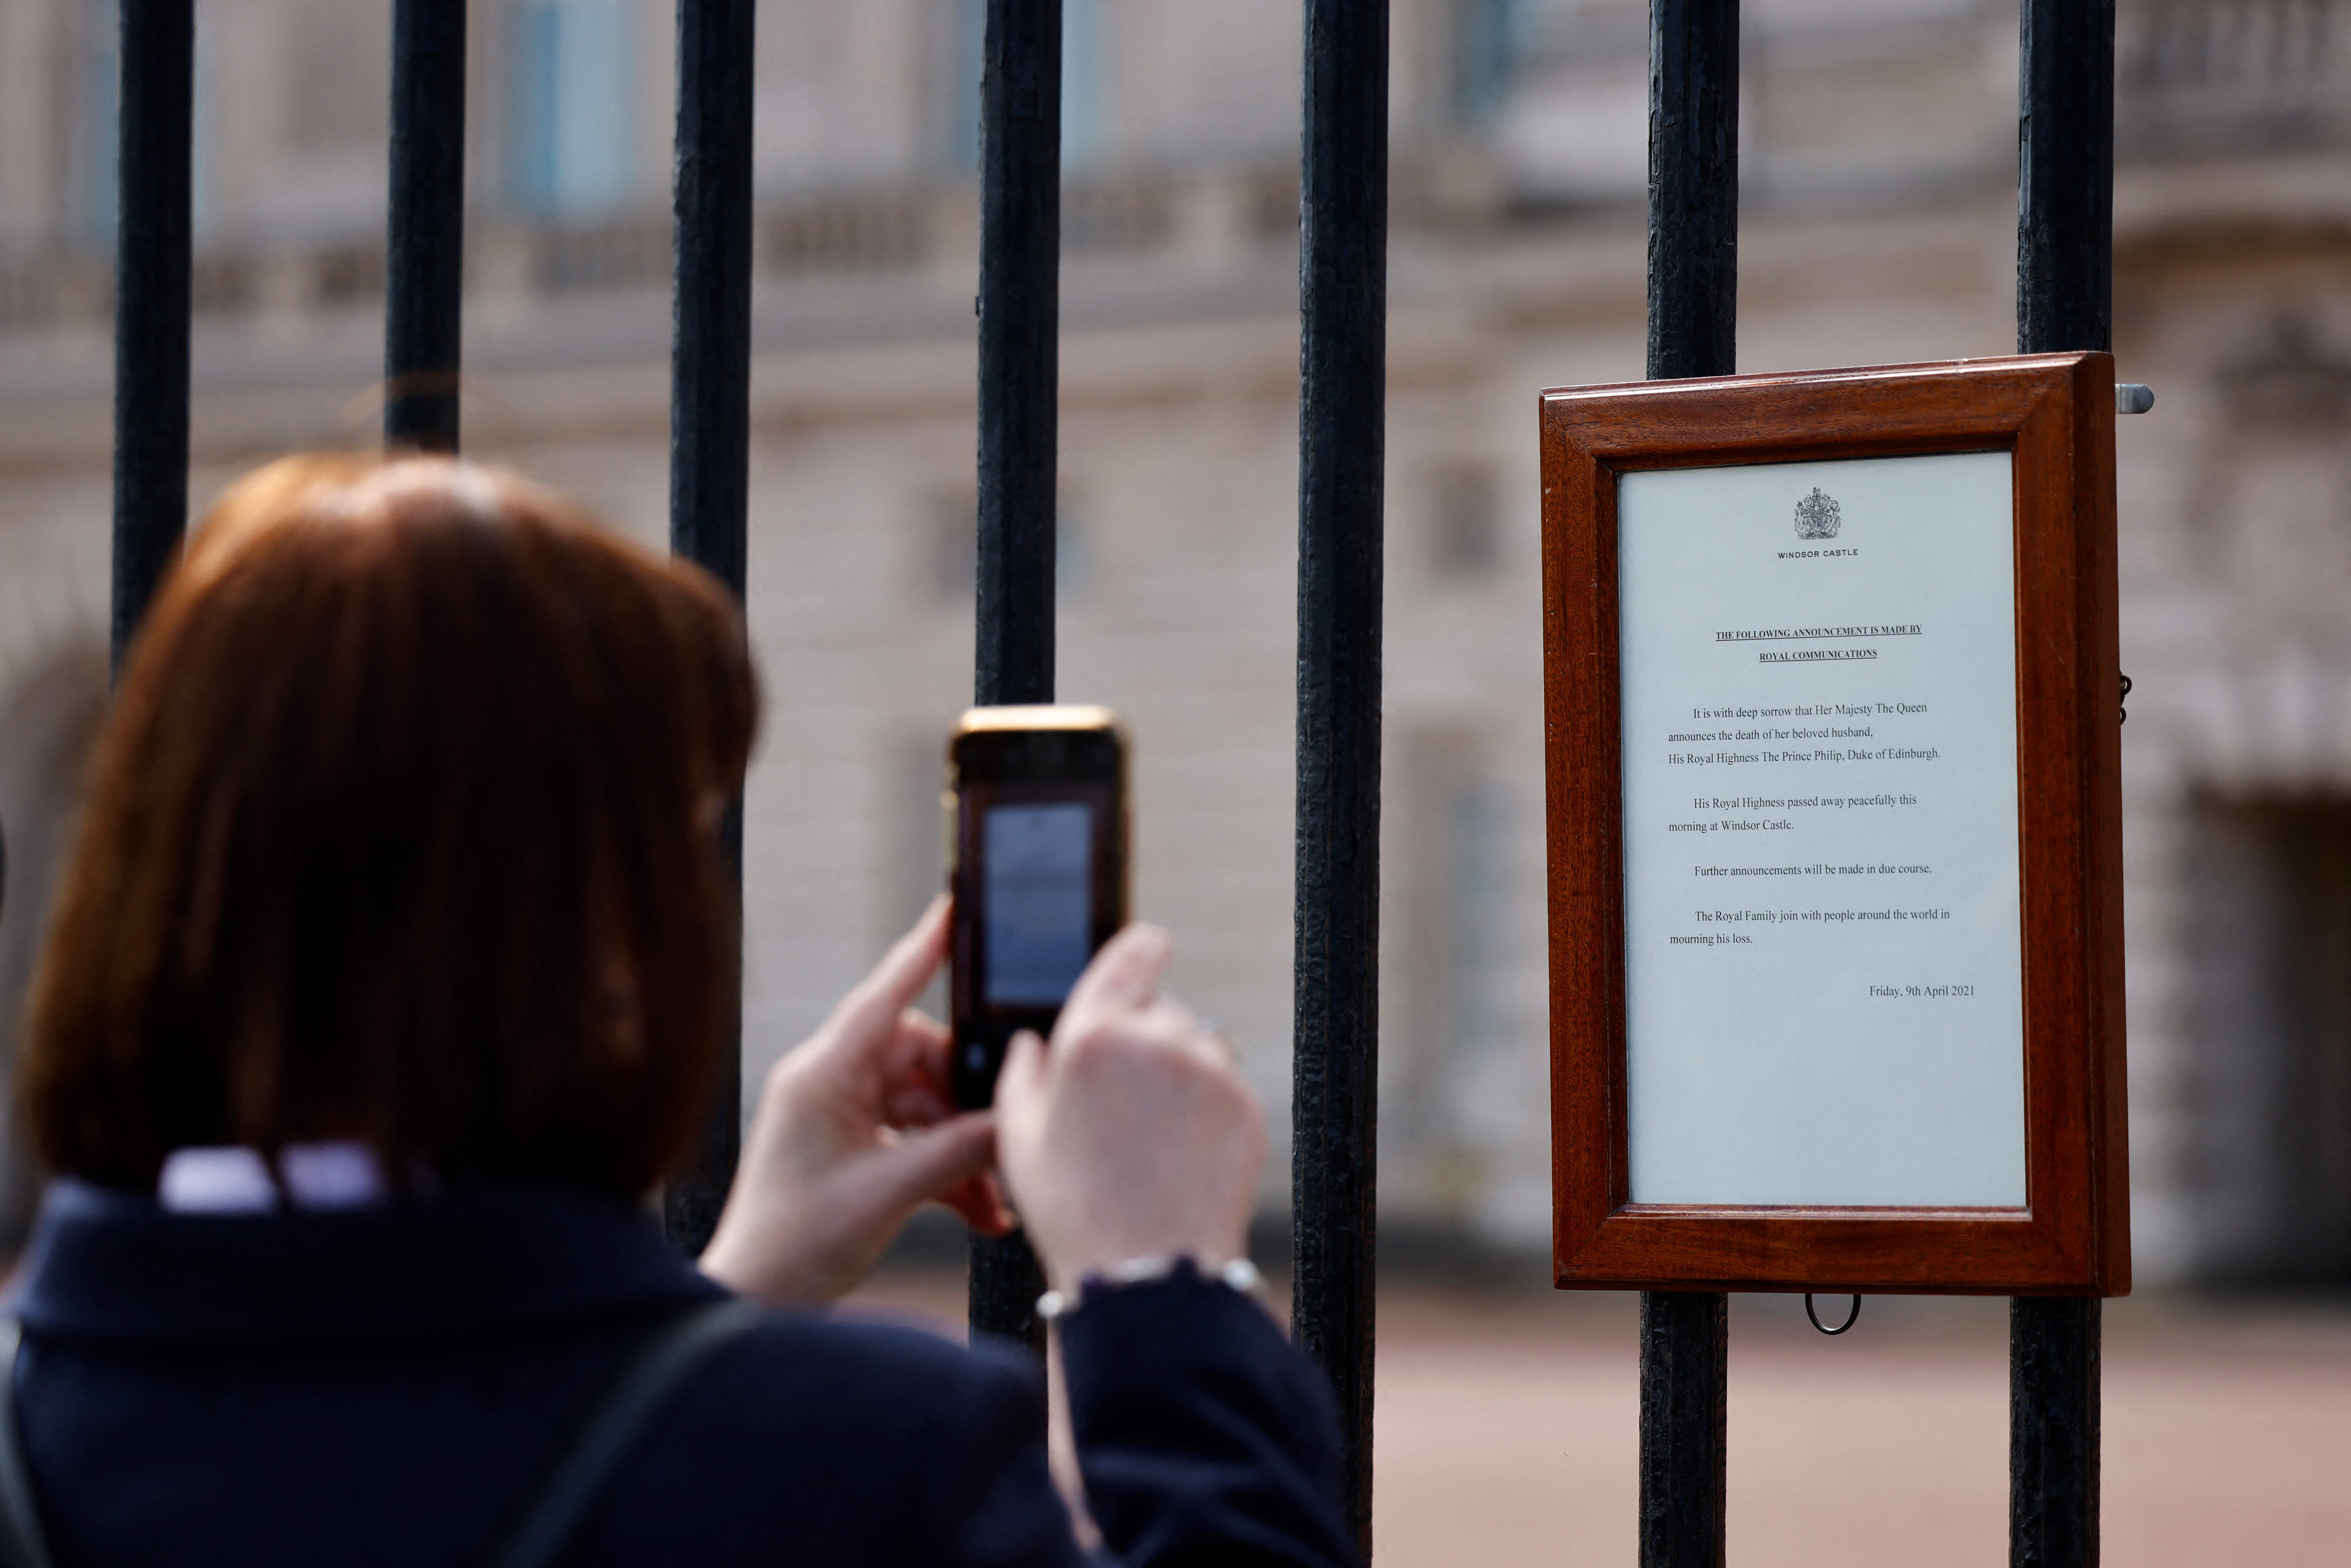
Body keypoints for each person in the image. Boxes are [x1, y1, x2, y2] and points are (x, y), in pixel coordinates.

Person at [5, 454, 1356, 1567]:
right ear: (597, 942)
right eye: (680, 843)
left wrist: (722, 1302)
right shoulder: (868, 1462)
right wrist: (1166, 1296)